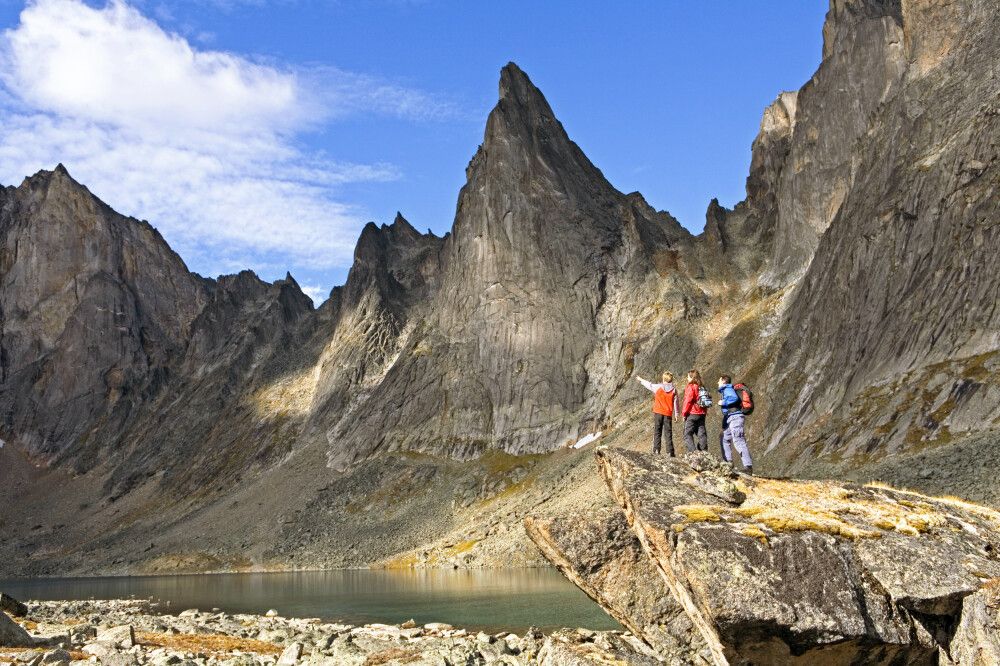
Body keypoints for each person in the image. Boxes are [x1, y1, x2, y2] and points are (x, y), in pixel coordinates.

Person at [635, 372, 680, 455]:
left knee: (657, 431)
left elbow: (649, 385)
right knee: (668, 433)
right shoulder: (674, 390)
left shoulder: (658, 387)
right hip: (668, 414)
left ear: (663, 379)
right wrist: (676, 414)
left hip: (658, 412)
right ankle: (670, 452)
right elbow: (676, 402)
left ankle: (656, 450)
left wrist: (641, 380)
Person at [718, 374, 753, 475]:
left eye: (719, 381)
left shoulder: (727, 389)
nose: (718, 383)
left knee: (738, 441)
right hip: (731, 418)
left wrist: (723, 402)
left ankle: (748, 467)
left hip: (735, 418)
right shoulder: (726, 389)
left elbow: (734, 398)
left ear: (723, 381)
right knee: (724, 437)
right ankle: (728, 463)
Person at [681, 369, 708, 452]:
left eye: (688, 377)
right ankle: (704, 451)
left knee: (687, 434)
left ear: (692, 378)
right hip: (702, 413)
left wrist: (684, 414)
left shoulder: (691, 387)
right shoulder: (702, 387)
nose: (687, 378)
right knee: (701, 433)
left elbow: (688, 401)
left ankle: (693, 453)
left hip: (692, 413)